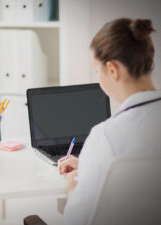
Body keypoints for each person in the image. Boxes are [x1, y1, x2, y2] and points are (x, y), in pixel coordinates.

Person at [58, 18, 161, 225]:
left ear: (112, 70)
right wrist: (91, 166)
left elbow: (77, 220)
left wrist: (72, 190)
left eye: (96, 70)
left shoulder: (106, 136)